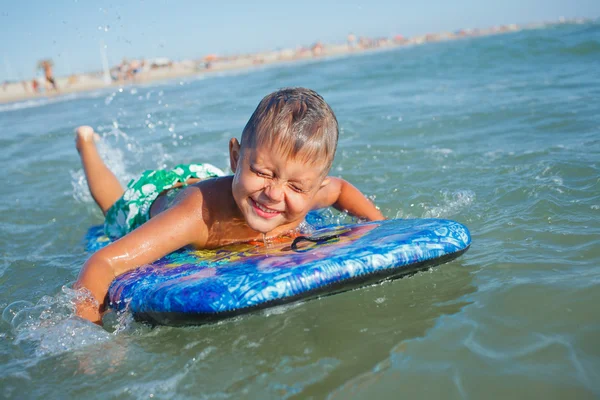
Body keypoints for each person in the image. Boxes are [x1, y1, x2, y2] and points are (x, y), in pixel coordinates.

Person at [73, 87, 384, 324]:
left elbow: (341, 189)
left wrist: (377, 227)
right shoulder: (196, 219)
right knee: (113, 205)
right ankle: (85, 144)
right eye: (263, 172)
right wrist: (92, 338)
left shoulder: (301, 194)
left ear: (315, 186)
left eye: (296, 186)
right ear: (236, 158)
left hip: (221, 183)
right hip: (161, 199)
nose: (275, 194)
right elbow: (103, 264)